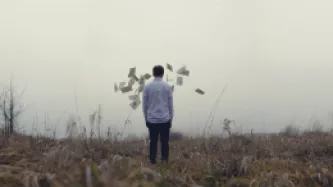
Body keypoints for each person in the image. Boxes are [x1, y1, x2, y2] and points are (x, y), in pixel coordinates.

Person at [142, 65, 173, 164]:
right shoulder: (167, 87)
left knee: (153, 141)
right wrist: (170, 118)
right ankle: (164, 160)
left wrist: (146, 118)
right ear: (163, 73)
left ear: (153, 73)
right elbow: (170, 104)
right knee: (165, 142)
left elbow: (145, 105)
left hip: (152, 119)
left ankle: (152, 160)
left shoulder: (147, 87)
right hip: (165, 118)